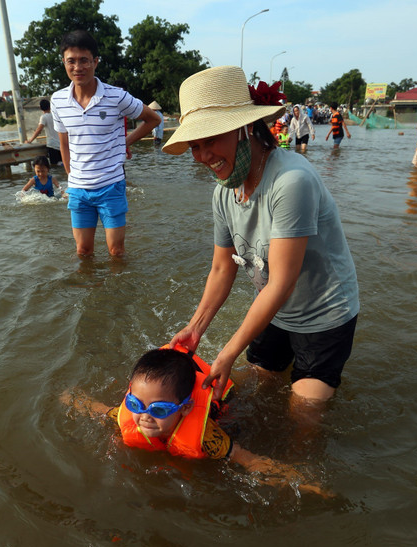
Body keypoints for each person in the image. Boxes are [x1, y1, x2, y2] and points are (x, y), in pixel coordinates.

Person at [162, 66, 360, 409]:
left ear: (247, 128)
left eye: (212, 140)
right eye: (195, 146)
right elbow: (223, 269)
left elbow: (281, 282)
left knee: (304, 414)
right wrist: (195, 329)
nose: (204, 156)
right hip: (274, 312)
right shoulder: (223, 194)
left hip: (324, 315)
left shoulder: (291, 181)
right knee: (258, 392)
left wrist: (227, 352)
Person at [61, 346, 331, 496]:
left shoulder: (208, 438)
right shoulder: (130, 418)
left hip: (227, 403)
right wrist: (68, 397)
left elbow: (249, 460)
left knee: (262, 383)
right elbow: (95, 408)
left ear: (185, 408)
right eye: (135, 404)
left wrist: (307, 484)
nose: (144, 416)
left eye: (159, 409)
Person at [51, 30, 162, 257]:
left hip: (111, 185)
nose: (78, 67)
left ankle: (119, 292)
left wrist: (125, 142)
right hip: (79, 190)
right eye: (71, 61)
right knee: (83, 251)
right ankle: (89, 290)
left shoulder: (116, 96)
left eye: (84, 60)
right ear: (64, 62)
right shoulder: (58, 100)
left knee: (116, 251)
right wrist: (72, 177)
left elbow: (153, 119)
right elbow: (64, 143)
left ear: (95, 62)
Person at [25, 99, 62, 167]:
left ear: (41, 108)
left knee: (54, 166)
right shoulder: (56, 115)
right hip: (60, 145)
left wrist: (30, 140)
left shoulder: (44, 117)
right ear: (50, 106)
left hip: (52, 145)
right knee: (61, 165)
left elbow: (39, 130)